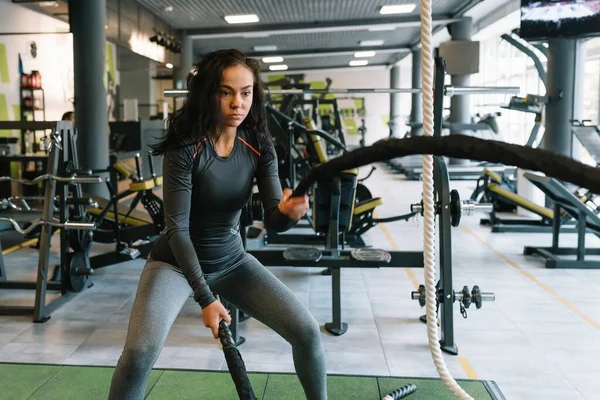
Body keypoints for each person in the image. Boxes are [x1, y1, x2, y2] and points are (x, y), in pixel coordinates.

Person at [108, 49, 328, 400]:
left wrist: (286, 214)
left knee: (307, 331)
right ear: (209, 93)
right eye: (226, 92)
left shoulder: (258, 143)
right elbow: (176, 230)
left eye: (246, 92)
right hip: (174, 265)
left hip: (233, 261)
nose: (237, 103)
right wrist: (207, 298)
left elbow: (273, 222)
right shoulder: (186, 145)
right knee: (139, 353)